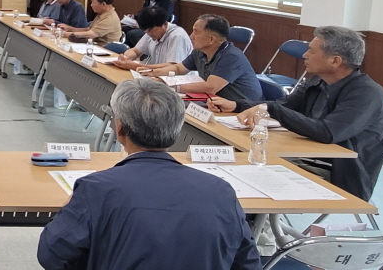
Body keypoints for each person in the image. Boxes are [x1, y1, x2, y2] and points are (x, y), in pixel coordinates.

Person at [36, 78, 260, 270]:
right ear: (177, 129)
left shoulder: (96, 189)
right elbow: (247, 263)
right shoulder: (220, 191)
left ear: (120, 129)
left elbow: (52, 255)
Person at [208, 26, 383, 201]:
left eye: (312, 51)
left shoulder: (366, 94)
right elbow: (285, 105)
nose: (305, 55)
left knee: (246, 175)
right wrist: (237, 105)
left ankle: (254, 223)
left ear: (335, 61)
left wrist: (271, 110)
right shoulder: (318, 81)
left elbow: (327, 132)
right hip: (303, 157)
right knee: (227, 166)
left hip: (340, 173)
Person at [142, 14, 262, 104]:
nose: (191, 36)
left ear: (211, 39)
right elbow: (178, 68)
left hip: (244, 109)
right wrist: (150, 73)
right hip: (218, 104)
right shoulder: (200, 52)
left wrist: (172, 86)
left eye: (196, 32)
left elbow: (210, 87)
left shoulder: (231, 57)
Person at [113, 6, 192, 70]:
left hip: (179, 81)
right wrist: (126, 58)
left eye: (151, 30)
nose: (149, 34)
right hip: (158, 76)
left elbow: (173, 67)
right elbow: (136, 51)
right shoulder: (150, 33)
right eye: (146, 31)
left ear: (164, 24)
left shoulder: (177, 36)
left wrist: (137, 66)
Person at [56, 0, 122, 45]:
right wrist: (69, 28)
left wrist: (63, 34)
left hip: (104, 50)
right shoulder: (102, 14)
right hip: (93, 45)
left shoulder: (109, 19)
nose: (91, 5)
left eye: (93, 2)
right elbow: (88, 29)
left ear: (103, 4)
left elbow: (89, 35)